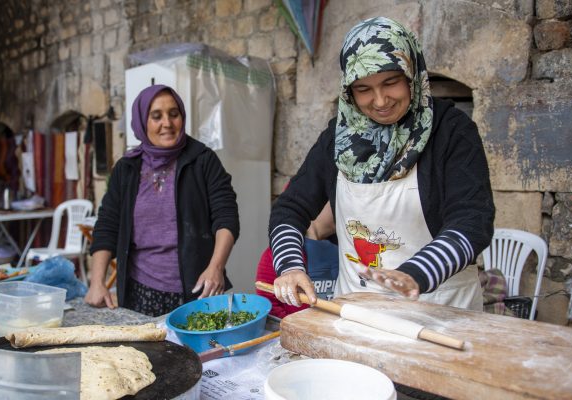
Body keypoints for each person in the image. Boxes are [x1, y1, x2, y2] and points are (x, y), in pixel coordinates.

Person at [269, 17, 494, 311]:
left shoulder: (452, 131)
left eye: (390, 82)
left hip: (441, 308)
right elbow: (289, 209)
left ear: (411, 74)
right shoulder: (337, 138)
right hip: (357, 309)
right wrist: (290, 267)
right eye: (363, 89)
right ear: (349, 91)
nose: (380, 100)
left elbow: (472, 221)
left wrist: (416, 273)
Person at [85, 84, 240, 317]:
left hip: (198, 291)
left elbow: (226, 217)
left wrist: (215, 268)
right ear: (141, 122)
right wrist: (97, 282)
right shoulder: (126, 169)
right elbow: (108, 224)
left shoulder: (203, 161)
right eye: (156, 116)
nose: (167, 123)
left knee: (199, 354)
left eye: (173, 114)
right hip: (139, 293)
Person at [256, 203, 339, 318]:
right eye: (334, 203)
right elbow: (268, 301)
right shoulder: (277, 254)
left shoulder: (341, 249)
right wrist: (292, 325)